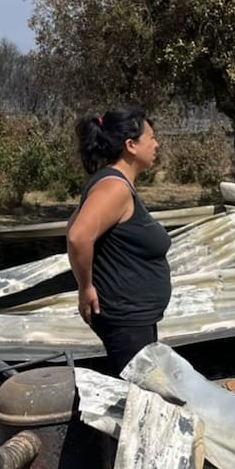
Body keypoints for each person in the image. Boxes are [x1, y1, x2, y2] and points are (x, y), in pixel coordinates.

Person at [66, 106, 171, 375]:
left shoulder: (112, 182)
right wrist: (86, 287)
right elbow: (78, 236)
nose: (156, 144)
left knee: (129, 390)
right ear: (131, 146)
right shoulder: (115, 187)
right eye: (152, 138)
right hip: (126, 318)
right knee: (135, 395)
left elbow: (73, 226)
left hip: (134, 318)